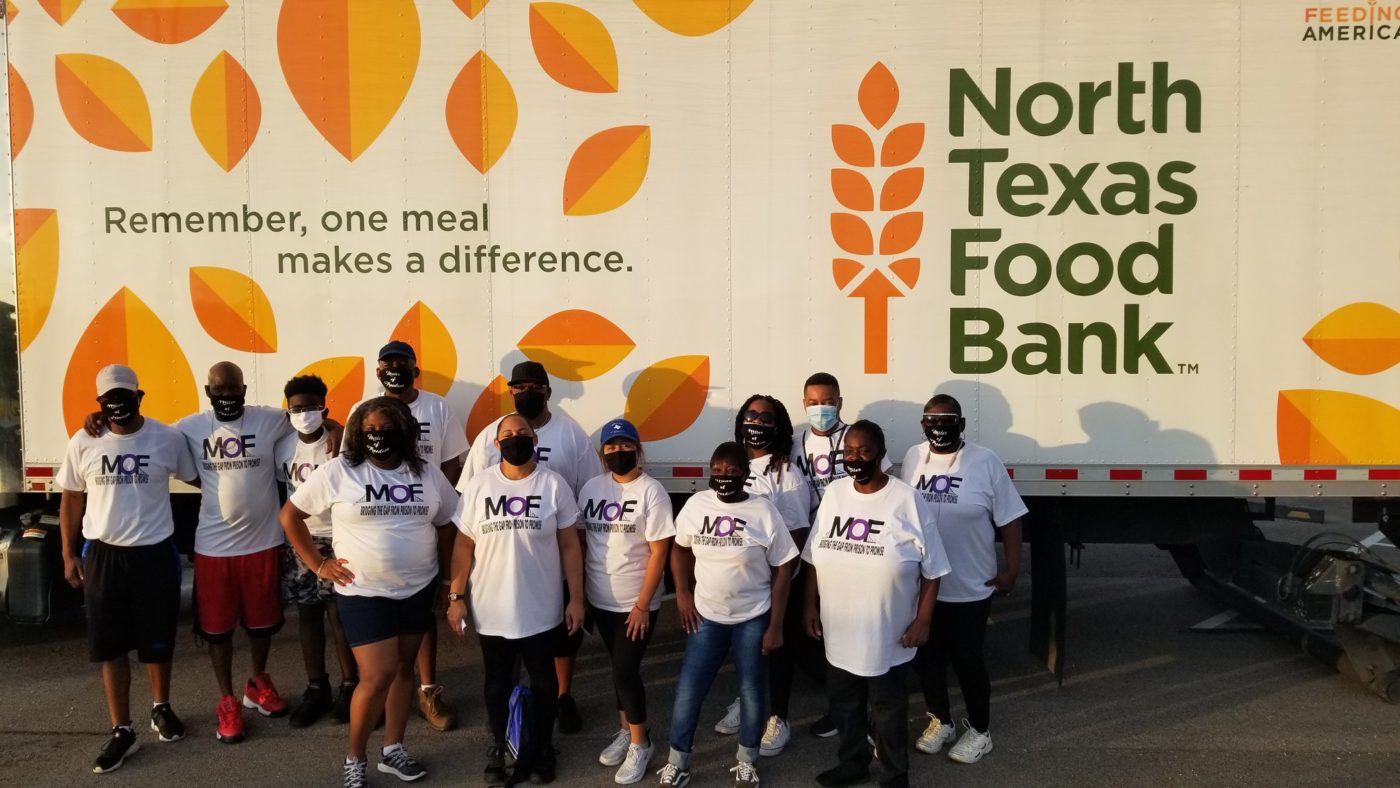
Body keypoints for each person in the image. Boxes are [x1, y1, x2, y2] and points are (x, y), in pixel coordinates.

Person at [280, 397, 459, 788]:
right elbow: (290, 516)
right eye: (369, 430)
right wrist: (319, 565)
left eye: (386, 429)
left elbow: (448, 524)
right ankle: (355, 758)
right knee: (376, 676)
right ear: (358, 434)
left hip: (417, 588)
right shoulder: (340, 471)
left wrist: (447, 582)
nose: (378, 436)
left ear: (405, 431)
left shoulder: (426, 473)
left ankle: (393, 750)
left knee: (402, 670)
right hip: (364, 591)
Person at [57, 365, 199, 773]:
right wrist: (69, 553)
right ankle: (121, 729)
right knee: (111, 646)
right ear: (99, 403)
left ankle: (161, 708)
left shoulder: (167, 438)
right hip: (104, 555)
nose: (116, 403)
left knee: (158, 642)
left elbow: (199, 477)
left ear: (140, 394)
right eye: (108, 398)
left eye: (124, 394)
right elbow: (71, 498)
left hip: (154, 553)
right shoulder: (84, 439)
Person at [804, 420, 950, 788]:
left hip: (888, 634)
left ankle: (893, 776)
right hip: (839, 630)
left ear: (880, 454)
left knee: (888, 711)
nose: (855, 458)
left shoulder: (906, 500)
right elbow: (812, 557)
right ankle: (853, 764)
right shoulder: (835, 493)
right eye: (848, 451)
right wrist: (808, 606)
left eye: (863, 451)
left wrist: (923, 621)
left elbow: (934, 569)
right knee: (845, 706)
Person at [461, 360, 601, 734]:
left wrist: (578, 589)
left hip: (551, 557)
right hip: (500, 567)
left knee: (560, 642)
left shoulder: (572, 436)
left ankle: (562, 697)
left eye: (533, 387)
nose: (525, 393)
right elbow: (468, 512)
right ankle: (509, 722)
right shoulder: (488, 437)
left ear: (547, 392)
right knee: (507, 653)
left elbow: (588, 498)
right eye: (518, 387)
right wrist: (457, 589)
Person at [448, 414, 586, 786]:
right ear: (496, 444)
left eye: (522, 433)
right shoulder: (479, 486)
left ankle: (541, 747)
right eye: (507, 434)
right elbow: (463, 544)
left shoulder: (553, 485)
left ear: (535, 439)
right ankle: (501, 746)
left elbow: (571, 545)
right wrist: (455, 595)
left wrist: (576, 598)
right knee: (497, 681)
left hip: (542, 608)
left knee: (543, 682)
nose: (515, 439)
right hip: (492, 608)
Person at [658, 442, 797, 788]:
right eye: (717, 472)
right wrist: (683, 594)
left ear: (746, 475)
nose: (723, 478)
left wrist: (776, 624)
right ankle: (679, 762)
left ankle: (747, 760)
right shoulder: (696, 504)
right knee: (689, 691)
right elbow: (679, 548)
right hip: (706, 617)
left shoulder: (763, 511)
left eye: (732, 472)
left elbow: (783, 567)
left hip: (753, 617)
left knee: (751, 691)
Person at [346, 341, 469, 732]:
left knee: (423, 610)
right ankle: (375, 691)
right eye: (388, 363)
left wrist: (434, 505)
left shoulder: (437, 407)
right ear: (378, 370)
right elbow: (349, 462)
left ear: (415, 368)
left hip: (425, 519)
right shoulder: (362, 412)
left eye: (403, 362)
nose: (395, 368)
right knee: (378, 622)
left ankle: (428, 689)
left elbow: (450, 463)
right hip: (375, 523)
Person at [900, 393, 1025, 764]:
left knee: (968, 660)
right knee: (928, 659)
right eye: (932, 420)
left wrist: (1012, 570)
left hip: (970, 585)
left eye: (948, 419)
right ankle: (941, 721)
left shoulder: (985, 462)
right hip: (922, 585)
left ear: (962, 424)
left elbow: (1011, 519)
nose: (939, 426)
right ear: (923, 425)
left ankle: (980, 730)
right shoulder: (912, 457)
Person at [177, 362, 298, 742]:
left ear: (245, 389)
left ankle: (256, 684)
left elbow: (309, 416)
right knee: (217, 632)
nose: (227, 397)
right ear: (208, 390)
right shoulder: (188, 427)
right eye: (220, 390)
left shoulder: (268, 420)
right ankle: (227, 699)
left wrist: (336, 426)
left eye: (234, 390)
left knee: (262, 625)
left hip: (263, 544)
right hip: (213, 549)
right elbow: (144, 436)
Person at [788, 372, 891, 739]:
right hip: (815, 546)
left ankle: (869, 716)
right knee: (823, 628)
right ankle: (842, 708)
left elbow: (885, 484)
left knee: (861, 628)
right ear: (803, 404)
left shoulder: (856, 438)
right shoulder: (794, 443)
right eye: (813, 402)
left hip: (854, 545)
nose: (821, 409)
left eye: (828, 401)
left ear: (840, 402)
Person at [576, 419, 675, 784]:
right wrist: (581, 594)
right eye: (611, 447)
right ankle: (625, 729)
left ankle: (640, 742)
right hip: (600, 599)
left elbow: (659, 553)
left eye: (625, 445)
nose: (618, 453)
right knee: (618, 668)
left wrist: (643, 605)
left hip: (636, 602)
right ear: (603, 453)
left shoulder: (652, 492)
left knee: (624, 670)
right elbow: (585, 543)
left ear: (639, 449)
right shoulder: (590, 488)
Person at [714, 395, 812, 757]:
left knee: (777, 646)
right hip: (741, 581)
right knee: (746, 647)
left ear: (778, 426)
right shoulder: (731, 463)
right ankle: (747, 701)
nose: (757, 422)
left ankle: (778, 717)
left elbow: (798, 530)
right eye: (751, 415)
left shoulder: (783, 470)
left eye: (765, 418)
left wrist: (780, 578)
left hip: (774, 581)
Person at [276, 374, 356, 727]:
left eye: (311, 407)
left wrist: (338, 428)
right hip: (301, 540)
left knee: (340, 616)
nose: (304, 414)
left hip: (339, 538)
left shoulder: (343, 442)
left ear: (325, 409)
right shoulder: (281, 446)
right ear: (288, 411)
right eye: (297, 408)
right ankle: (316, 687)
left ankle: (350, 686)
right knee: (307, 614)